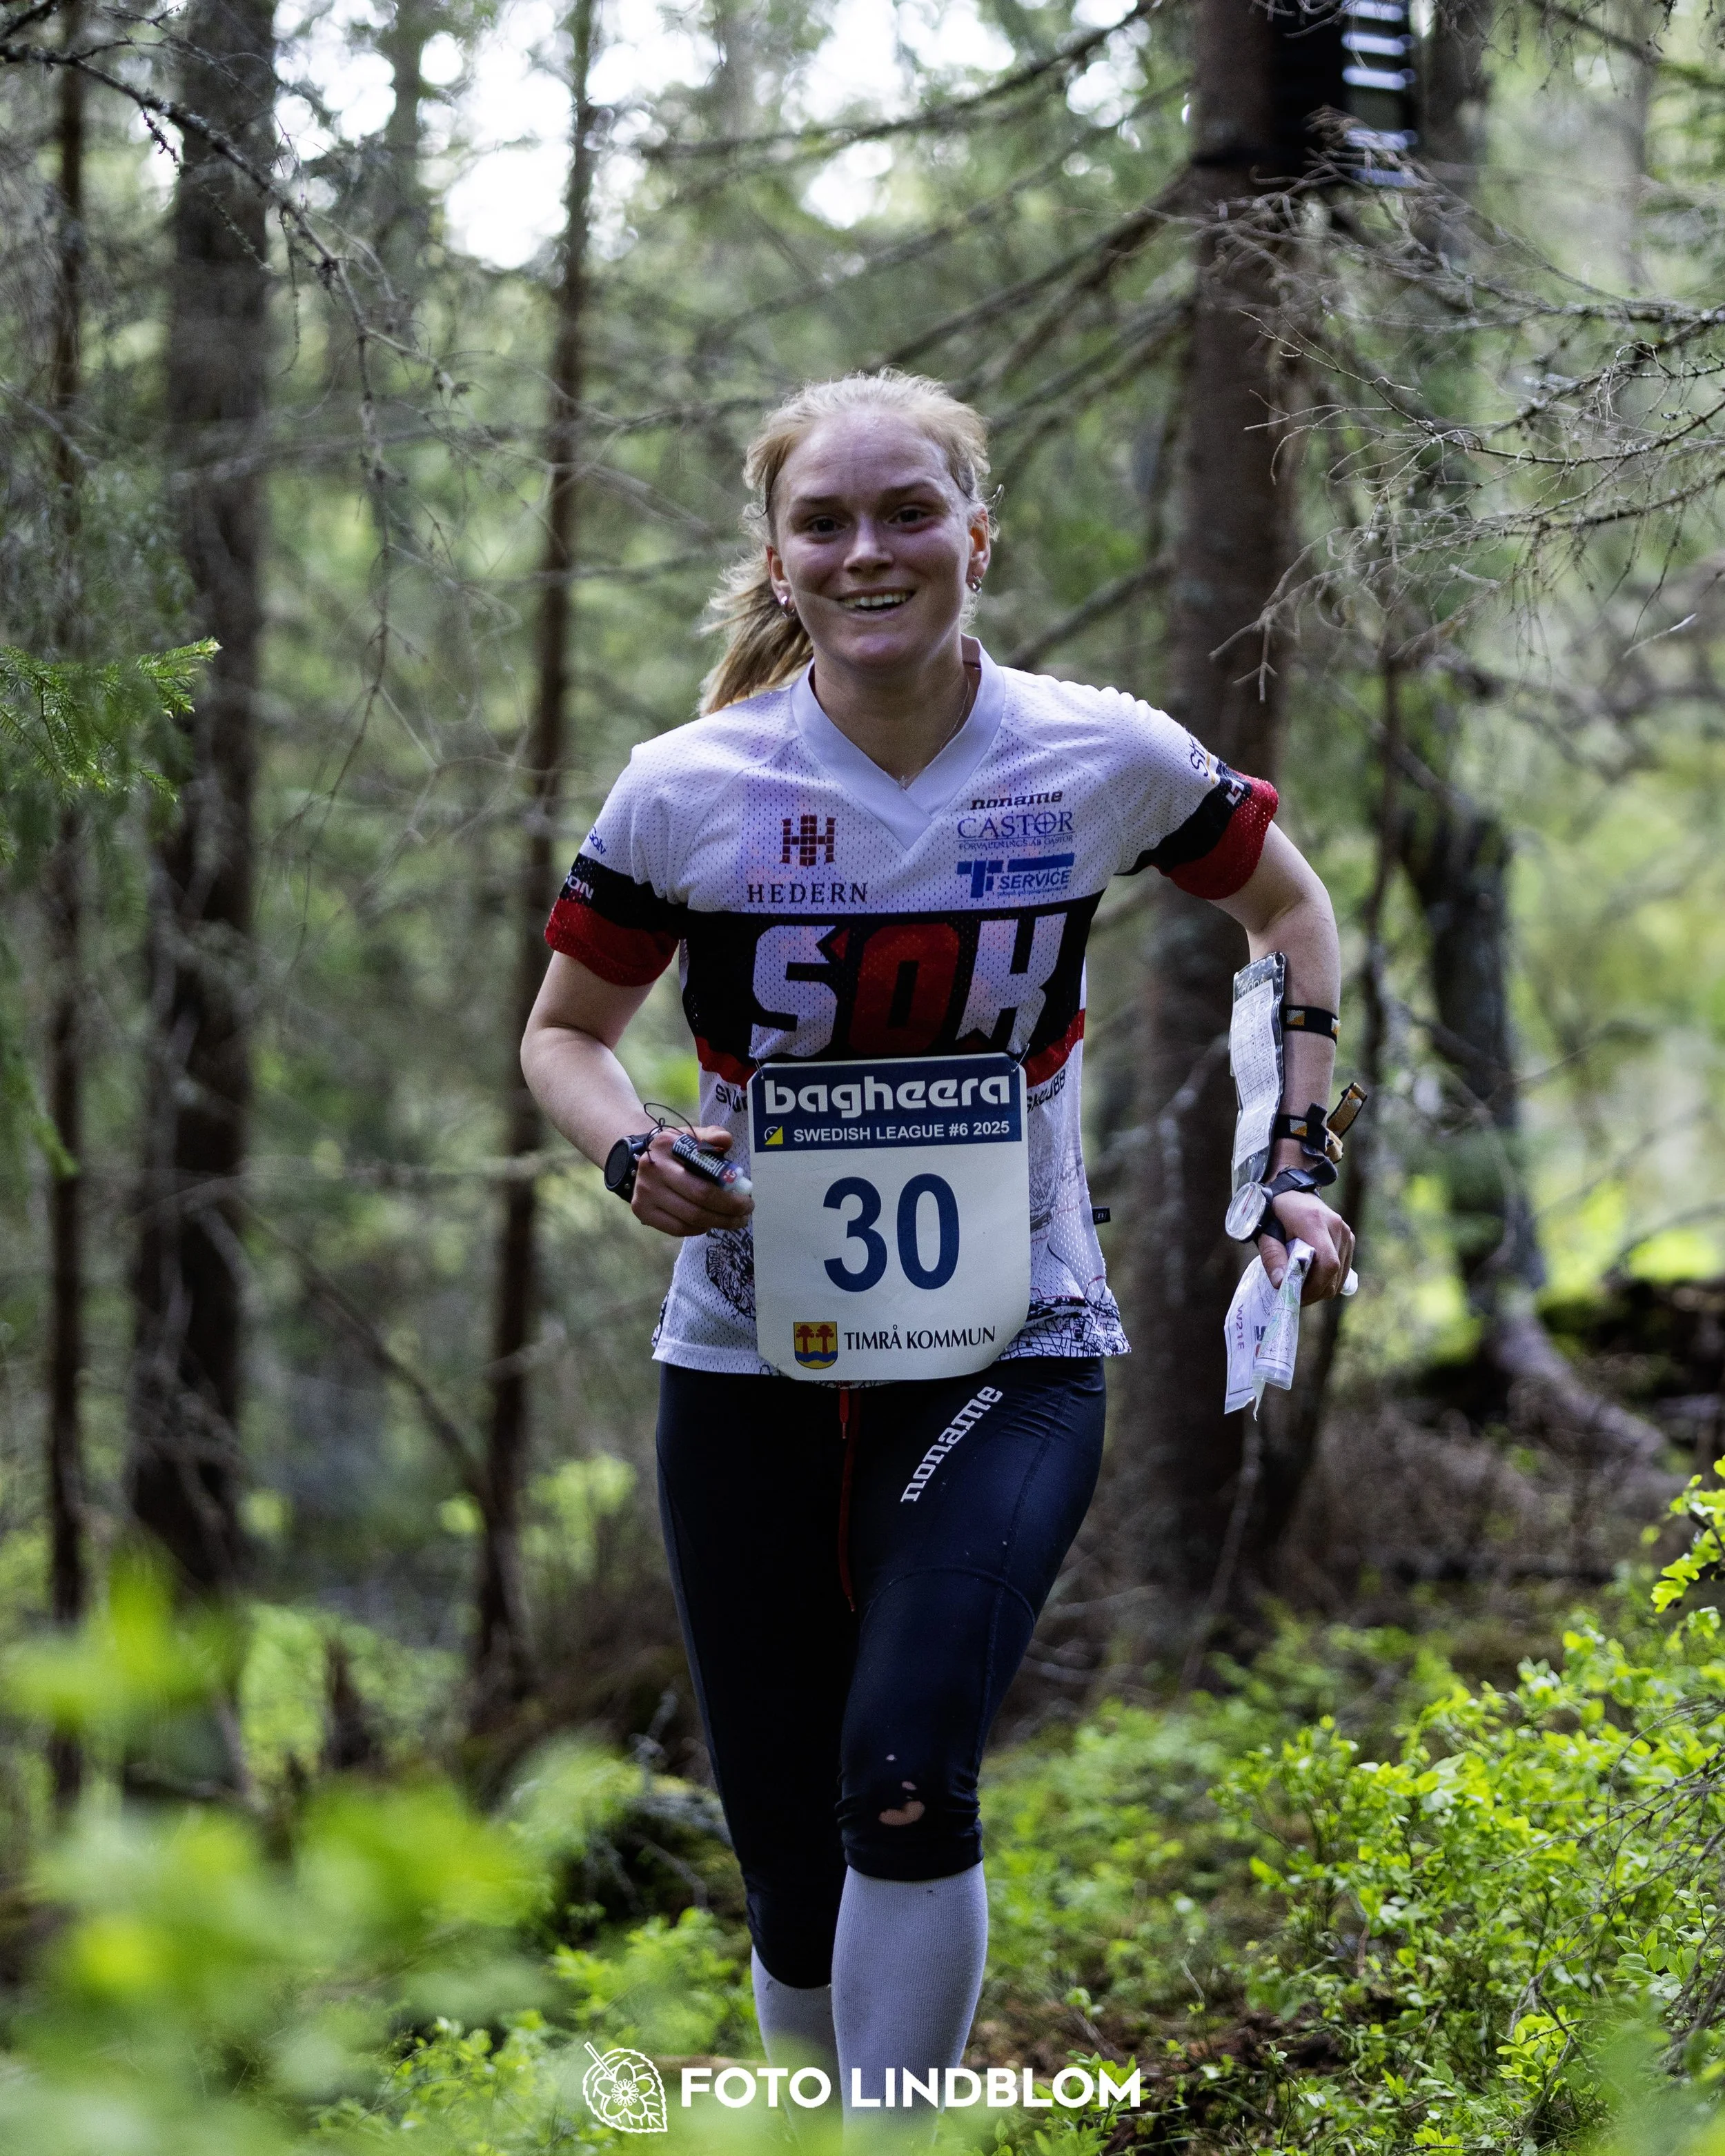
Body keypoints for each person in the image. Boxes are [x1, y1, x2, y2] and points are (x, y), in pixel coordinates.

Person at [520, 370, 1354, 2135]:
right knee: (786, 1852)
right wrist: (632, 1157)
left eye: (908, 512)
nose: (867, 549)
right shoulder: (690, 790)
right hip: (747, 1356)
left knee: (901, 1773)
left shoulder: (1096, 752)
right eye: (823, 521)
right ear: (776, 556)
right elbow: (562, 1036)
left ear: (976, 537)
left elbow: (1289, 905)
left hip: (1012, 1338)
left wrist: (1293, 1150)